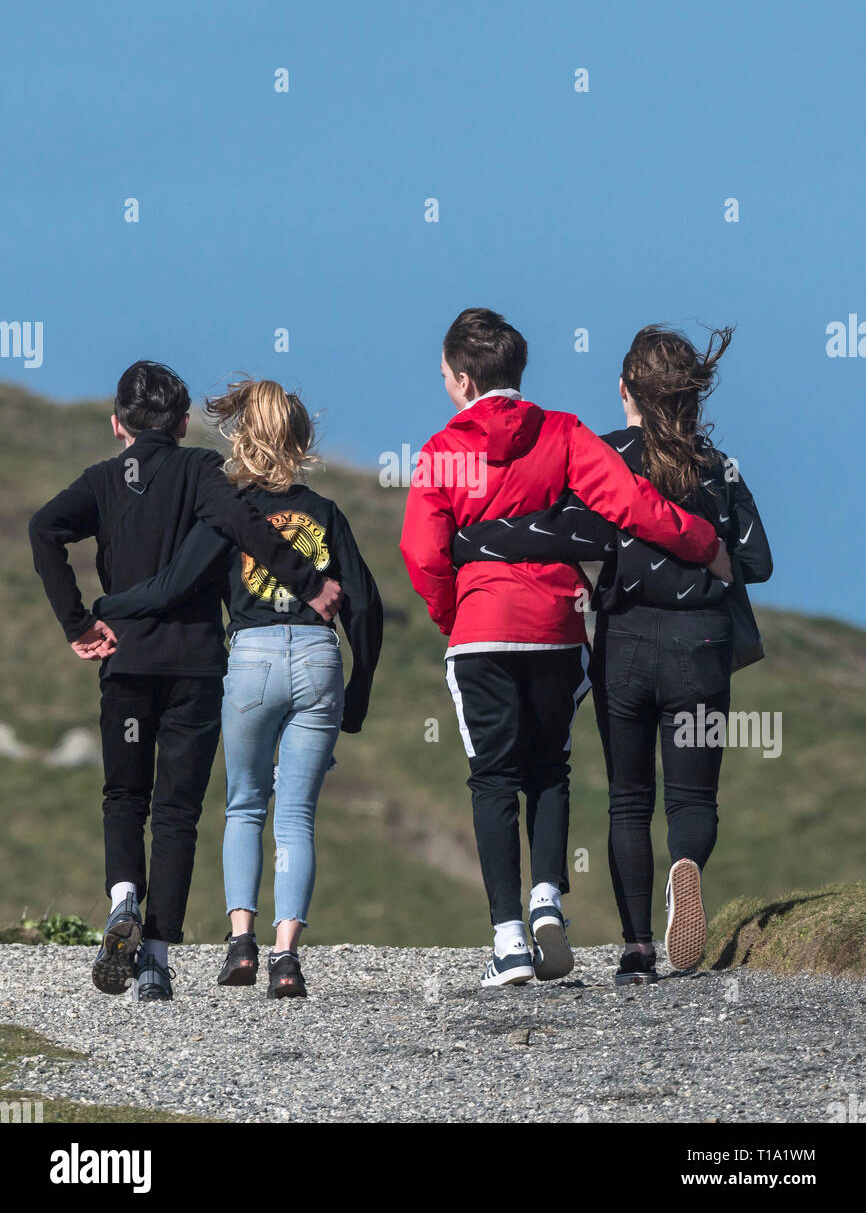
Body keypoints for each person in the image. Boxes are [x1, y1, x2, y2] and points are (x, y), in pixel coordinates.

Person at [399, 309, 731, 988]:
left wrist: (449, 612)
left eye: (443, 378)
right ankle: (549, 899)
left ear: (463, 380)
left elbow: (420, 550)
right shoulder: (564, 431)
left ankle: (509, 941)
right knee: (549, 769)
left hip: (482, 624)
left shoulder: (442, 450)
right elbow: (632, 505)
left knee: (493, 778)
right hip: (553, 626)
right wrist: (701, 541)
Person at [29, 362, 341, 1002]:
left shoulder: (102, 481)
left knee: (124, 797)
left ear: (117, 424)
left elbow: (43, 530)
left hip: (126, 662)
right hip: (196, 668)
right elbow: (247, 526)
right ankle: (156, 963)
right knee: (177, 813)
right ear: (182, 423)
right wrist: (308, 583)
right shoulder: (202, 471)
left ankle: (122, 899)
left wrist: (77, 620)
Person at [95, 379, 382, 999]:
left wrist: (106, 606)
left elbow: (173, 586)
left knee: (245, 805)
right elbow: (367, 607)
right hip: (317, 658)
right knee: (297, 815)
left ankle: (241, 943)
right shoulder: (327, 513)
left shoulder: (229, 511)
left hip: (250, 660)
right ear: (303, 442)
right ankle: (286, 958)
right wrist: (359, 690)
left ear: (241, 439)